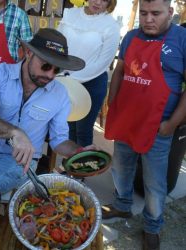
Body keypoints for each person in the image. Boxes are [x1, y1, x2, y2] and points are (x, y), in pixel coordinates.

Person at [0, 28, 99, 195]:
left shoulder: (60, 94)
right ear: (28, 53)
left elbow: (59, 140)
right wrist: (15, 132)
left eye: (56, 70)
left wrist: (77, 152)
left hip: (21, 162)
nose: (51, 75)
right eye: (45, 66)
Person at [103, 0, 186, 249]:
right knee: (121, 167)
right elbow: (119, 71)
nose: (148, 19)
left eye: (156, 14)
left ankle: (152, 225)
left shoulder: (182, 38)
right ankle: (122, 205)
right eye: (144, 13)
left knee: (155, 181)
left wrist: (171, 124)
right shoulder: (130, 36)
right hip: (127, 118)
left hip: (158, 125)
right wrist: (112, 104)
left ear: (170, 13)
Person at [57, 0, 120, 147]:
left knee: (83, 131)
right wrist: (60, 74)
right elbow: (57, 44)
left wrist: (71, 79)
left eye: (104, 0)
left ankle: (84, 168)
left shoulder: (111, 26)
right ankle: (69, 168)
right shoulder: (70, 14)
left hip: (92, 83)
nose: (98, 2)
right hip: (66, 79)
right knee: (69, 128)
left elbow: (103, 62)